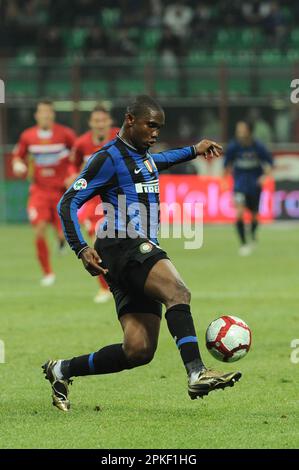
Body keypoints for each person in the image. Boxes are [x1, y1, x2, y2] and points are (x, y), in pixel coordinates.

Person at [42, 95, 241, 412]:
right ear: (130, 120)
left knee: (139, 350)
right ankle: (196, 372)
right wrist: (80, 248)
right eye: (151, 125)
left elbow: (160, 161)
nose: (156, 133)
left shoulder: (144, 157)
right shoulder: (107, 158)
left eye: (159, 127)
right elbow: (68, 203)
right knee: (178, 291)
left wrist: (194, 149)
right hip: (122, 243)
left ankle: (61, 369)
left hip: (130, 251)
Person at [12, 99, 76, 285]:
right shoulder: (28, 136)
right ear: (37, 115)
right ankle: (48, 273)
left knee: (62, 233)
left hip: (61, 191)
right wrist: (17, 164)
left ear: (53, 114)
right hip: (39, 191)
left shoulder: (65, 134)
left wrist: (72, 174)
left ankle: (61, 241)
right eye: (42, 112)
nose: (46, 115)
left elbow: (76, 154)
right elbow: (19, 155)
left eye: (49, 112)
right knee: (39, 230)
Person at [69, 105, 119, 303]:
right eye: (96, 121)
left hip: (117, 198)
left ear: (109, 122)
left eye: (103, 121)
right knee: (97, 241)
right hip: (92, 201)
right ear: (91, 123)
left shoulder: (119, 138)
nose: (99, 124)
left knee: (122, 241)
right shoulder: (82, 143)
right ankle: (105, 287)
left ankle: (121, 282)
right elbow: (73, 166)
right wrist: (73, 176)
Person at [224, 121, 273, 256]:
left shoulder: (258, 146)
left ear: (249, 131)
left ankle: (252, 234)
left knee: (254, 216)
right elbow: (227, 164)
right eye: (238, 129)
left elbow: (269, 163)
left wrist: (264, 177)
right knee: (239, 213)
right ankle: (243, 243)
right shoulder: (234, 146)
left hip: (254, 186)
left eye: (242, 129)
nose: (239, 132)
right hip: (239, 185)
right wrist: (224, 179)